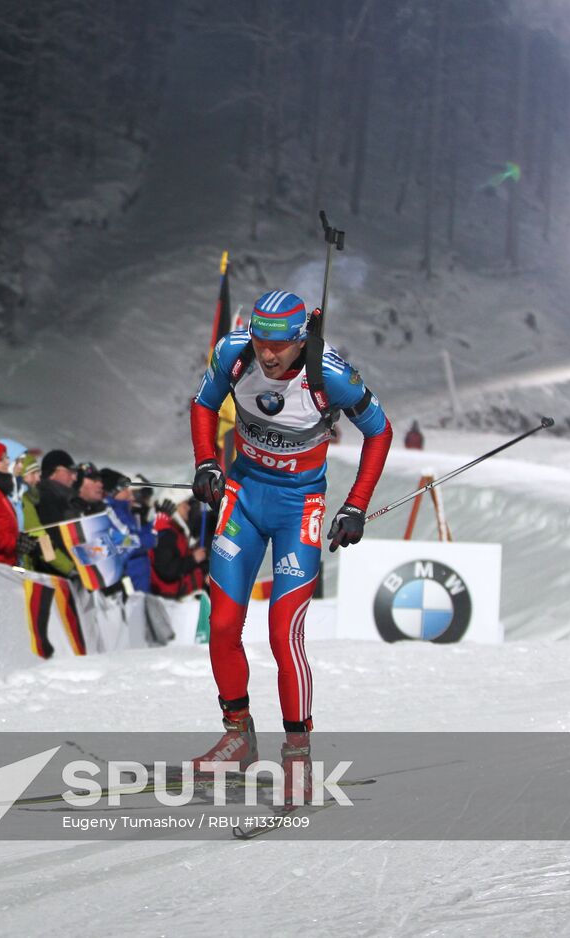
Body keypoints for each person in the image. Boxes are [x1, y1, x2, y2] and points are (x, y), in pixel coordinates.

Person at [190, 289, 392, 796]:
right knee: (221, 623)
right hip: (244, 496)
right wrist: (206, 463)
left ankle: (297, 752)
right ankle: (238, 737)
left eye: (279, 344)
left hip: (299, 507)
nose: (267, 353)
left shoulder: (332, 376)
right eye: (261, 340)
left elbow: (380, 431)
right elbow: (203, 404)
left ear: (300, 339)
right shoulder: (233, 353)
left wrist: (356, 505)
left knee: (284, 632)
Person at [150, 498, 208, 598]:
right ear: (174, 508)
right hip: (177, 600)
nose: (189, 508)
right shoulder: (166, 534)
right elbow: (168, 570)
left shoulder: (176, 530)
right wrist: (193, 559)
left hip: (191, 594)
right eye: (184, 504)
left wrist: (205, 573)